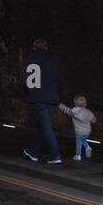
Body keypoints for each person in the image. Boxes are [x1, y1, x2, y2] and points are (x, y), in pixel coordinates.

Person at [22, 37, 67, 165]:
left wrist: (28, 95)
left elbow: (26, 82)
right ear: (46, 47)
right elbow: (60, 80)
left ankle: (55, 155)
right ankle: (33, 152)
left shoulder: (29, 60)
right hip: (51, 97)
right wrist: (61, 97)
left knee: (46, 127)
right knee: (43, 125)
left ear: (34, 47)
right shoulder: (54, 59)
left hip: (37, 97)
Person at [59, 95, 97, 161]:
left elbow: (66, 110)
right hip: (87, 131)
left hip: (79, 131)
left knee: (78, 142)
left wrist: (60, 105)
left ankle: (78, 155)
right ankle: (87, 147)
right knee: (83, 140)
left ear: (75, 103)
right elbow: (94, 120)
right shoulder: (88, 112)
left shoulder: (74, 111)